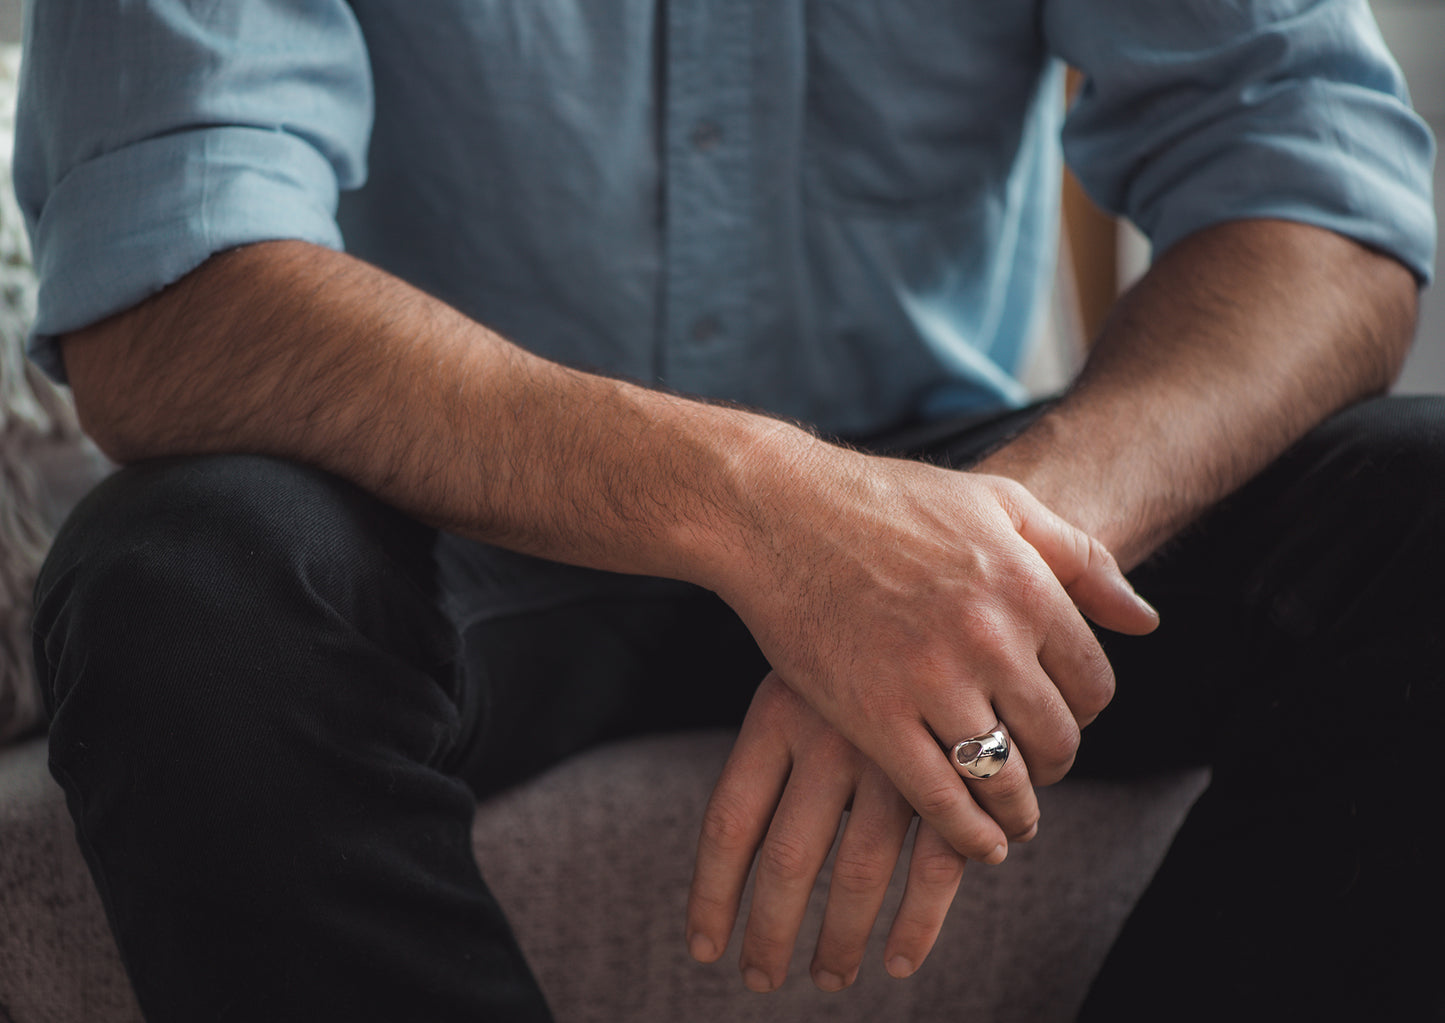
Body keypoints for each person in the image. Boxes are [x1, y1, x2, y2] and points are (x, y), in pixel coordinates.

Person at [15, 0, 1443, 1019]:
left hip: (952, 477)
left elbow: (1313, 189)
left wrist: (977, 558)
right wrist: (777, 520)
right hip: (438, 495)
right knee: (181, 589)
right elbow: (171, 293)